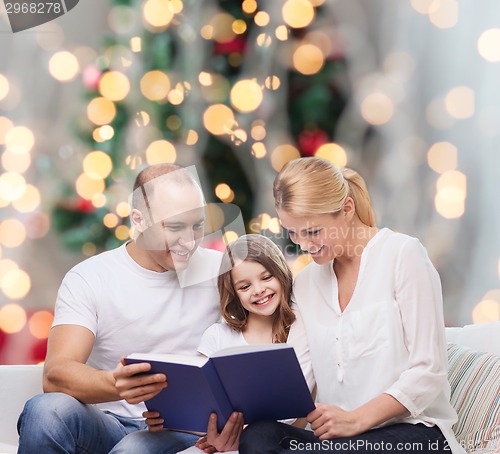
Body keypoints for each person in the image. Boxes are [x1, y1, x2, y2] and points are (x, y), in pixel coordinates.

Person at [239, 157, 466, 454]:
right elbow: (298, 381)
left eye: (312, 231)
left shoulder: (403, 256)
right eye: (293, 233)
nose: (304, 245)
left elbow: (428, 372)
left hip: (415, 433)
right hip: (340, 442)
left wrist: (355, 419)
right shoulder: (306, 283)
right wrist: (236, 427)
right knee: (260, 436)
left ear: (347, 210)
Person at [17, 164, 227, 454]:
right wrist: (115, 384)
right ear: (139, 220)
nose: (189, 241)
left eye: (198, 225)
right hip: (108, 423)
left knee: (132, 450)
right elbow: (55, 374)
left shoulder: (222, 273)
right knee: (46, 411)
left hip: (185, 430)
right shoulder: (90, 277)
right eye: (175, 227)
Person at [144, 234, 314, 454]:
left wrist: (245, 437)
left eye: (266, 277)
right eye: (244, 287)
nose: (258, 290)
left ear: (281, 273)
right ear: (233, 293)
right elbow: (203, 405)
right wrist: (167, 418)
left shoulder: (299, 333)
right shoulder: (218, 336)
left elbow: (302, 413)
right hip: (221, 443)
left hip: (277, 443)